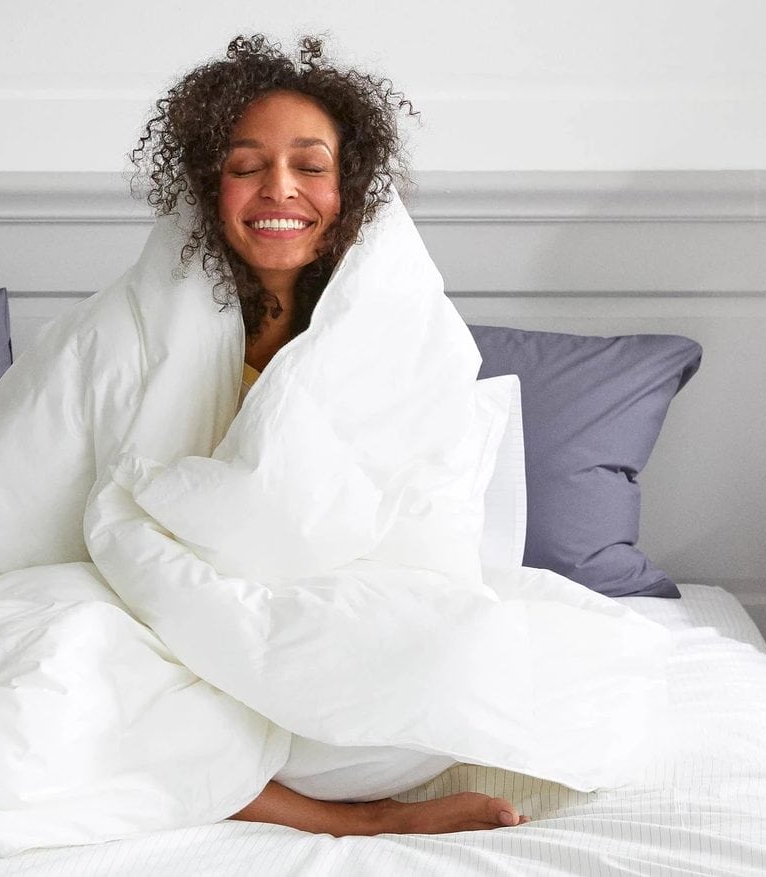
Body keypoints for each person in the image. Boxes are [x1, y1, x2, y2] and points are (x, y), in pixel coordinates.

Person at [131, 34, 528, 837]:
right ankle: (355, 819)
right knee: (64, 656)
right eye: (246, 165)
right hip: (169, 628)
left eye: (309, 166)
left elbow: (411, 509)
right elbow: (87, 485)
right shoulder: (144, 329)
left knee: (446, 653)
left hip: (332, 623)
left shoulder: (392, 329)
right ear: (208, 185)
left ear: (347, 187)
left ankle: (337, 784)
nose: (278, 188)